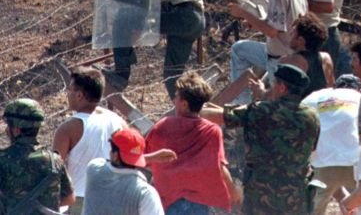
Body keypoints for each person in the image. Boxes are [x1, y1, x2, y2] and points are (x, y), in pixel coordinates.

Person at [201, 64, 320, 214]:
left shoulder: (260, 110)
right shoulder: (312, 116)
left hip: (262, 192)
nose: (272, 88)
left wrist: (195, 107)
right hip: (296, 194)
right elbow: (313, 147)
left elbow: (217, 116)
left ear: (282, 88)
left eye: (274, 84)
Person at [145, 71, 240, 214]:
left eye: (176, 96)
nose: (173, 100)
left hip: (167, 198)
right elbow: (218, 167)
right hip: (199, 200)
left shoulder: (163, 126)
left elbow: (146, 157)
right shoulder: (212, 131)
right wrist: (233, 192)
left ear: (184, 104)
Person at [228, 0, 308, 103]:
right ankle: (242, 101)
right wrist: (255, 22)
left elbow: (272, 31)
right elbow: (281, 22)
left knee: (275, 105)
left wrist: (243, 13)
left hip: (280, 58)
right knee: (239, 49)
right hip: (293, 55)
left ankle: (242, 106)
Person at [53, 67, 126, 214]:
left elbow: (54, 170)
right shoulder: (118, 121)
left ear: (79, 95)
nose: (68, 94)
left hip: (82, 198)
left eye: (70, 90)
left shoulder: (69, 128)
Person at [0, 99, 75, 213]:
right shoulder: (54, 160)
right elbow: (69, 199)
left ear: (16, 130)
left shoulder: (3, 160)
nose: (6, 130)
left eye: (8, 126)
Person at [301, 75, 361, 215]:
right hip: (356, 163)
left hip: (323, 164)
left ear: (334, 86)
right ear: (359, 88)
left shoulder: (318, 95)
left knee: (316, 208)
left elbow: (301, 116)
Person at [82, 128, 164, 215]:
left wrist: (149, 158)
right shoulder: (144, 192)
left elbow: (107, 162)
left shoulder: (94, 169)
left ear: (115, 155)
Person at [279, 13, 335, 97]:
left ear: (301, 40)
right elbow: (331, 89)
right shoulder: (326, 58)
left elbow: (277, 95)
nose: (290, 34)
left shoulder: (288, 61)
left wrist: (260, 91)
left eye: (293, 33)